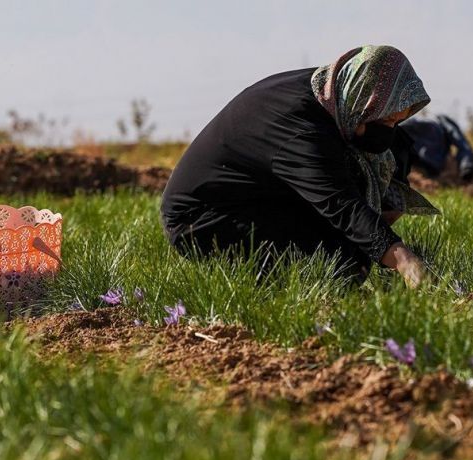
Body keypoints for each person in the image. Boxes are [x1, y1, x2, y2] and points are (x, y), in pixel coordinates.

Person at [160, 45, 438, 286]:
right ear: (364, 101)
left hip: (264, 193)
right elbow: (340, 204)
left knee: (358, 238)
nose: (390, 129)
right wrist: (403, 259)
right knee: (342, 259)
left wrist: (388, 206)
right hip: (202, 219)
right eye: (387, 121)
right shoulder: (302, 130)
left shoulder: (336, 92)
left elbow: (393, 147)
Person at [400, 114, 473, 180]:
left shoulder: (418, 120)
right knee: (432, 166)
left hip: (412, 147)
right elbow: (462, 145)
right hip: (432, 146)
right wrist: (466, 167)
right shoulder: (444, 121)